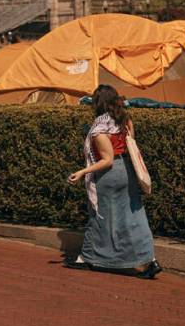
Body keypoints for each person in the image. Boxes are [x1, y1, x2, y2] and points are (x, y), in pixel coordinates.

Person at [67, 84, 161, 279]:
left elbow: (106, 160)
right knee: (134, 216)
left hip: (109, 175)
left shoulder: (99, 129)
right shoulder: (125, 120)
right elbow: (130, 144)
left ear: (98, 104)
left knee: (99, 216)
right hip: (128, 170)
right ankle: (148, 260)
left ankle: (87, 258)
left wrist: (83, 171)